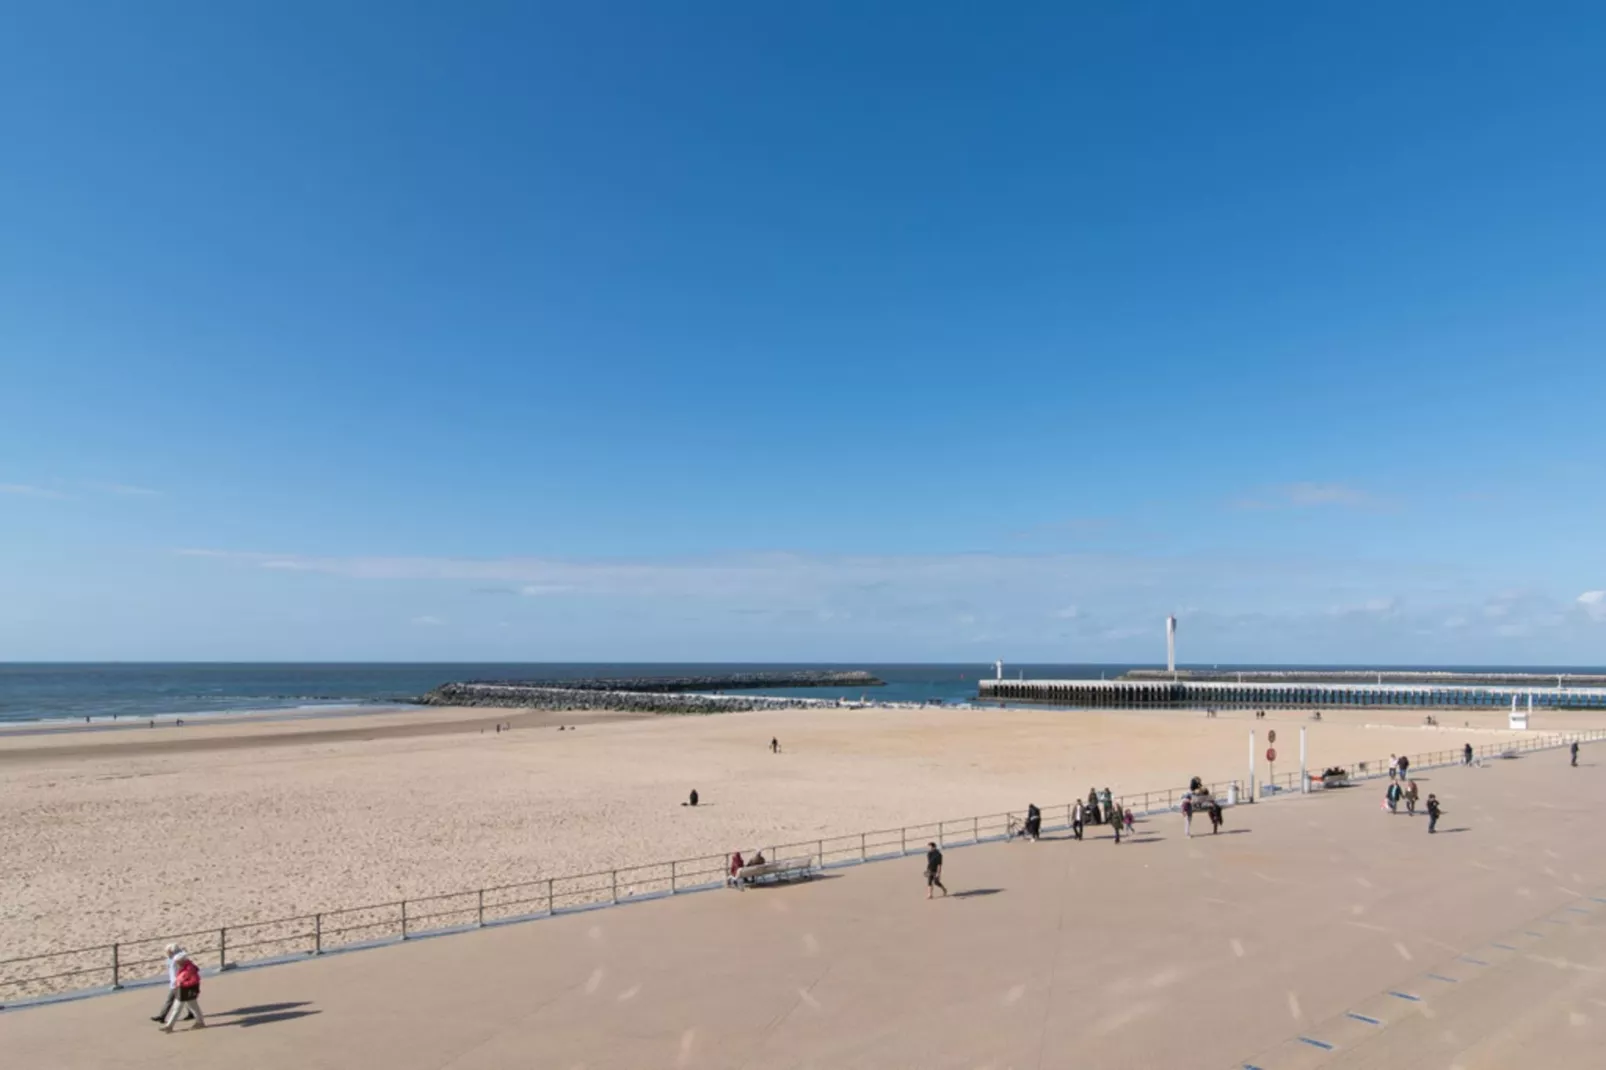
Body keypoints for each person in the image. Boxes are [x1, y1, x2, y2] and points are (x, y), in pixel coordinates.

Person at [159, 950, 205, 1032]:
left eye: (178, 962)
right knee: (192, 1008)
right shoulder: (184, 967)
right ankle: (200, 1022)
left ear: (183, 960)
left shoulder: (190, 969)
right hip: (182, 991)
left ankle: (169, 1026)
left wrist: (183, 984)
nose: (177, 963)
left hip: (186, 991)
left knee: (183, 1008)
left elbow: (195, 980)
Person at [151, 944, 195, 1024]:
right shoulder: (169, 959)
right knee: (186, 999)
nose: (166, 952)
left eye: (168, 951)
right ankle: (191, 1013)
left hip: (179, 982)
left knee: (171, 1000)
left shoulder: (179, 958)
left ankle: (162, 1016)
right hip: (174, 982)